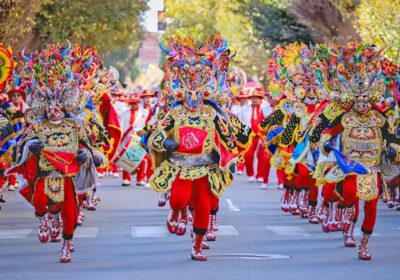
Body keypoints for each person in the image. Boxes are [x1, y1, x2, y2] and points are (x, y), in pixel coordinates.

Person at [149, 34, 253, 261]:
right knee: (177, 198)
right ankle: (176, 211)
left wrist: (229, 156)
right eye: (189, 90)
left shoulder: (213, 113)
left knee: (204, 207)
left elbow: (230, 137)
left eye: (198, 90)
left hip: (206, 167)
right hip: (180, 165)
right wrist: (166, 142)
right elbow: (155, 136)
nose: (193, 96)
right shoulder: (175, 113)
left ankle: (197, 244)